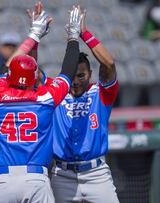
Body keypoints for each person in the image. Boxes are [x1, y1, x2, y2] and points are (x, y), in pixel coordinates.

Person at [0, 3, 82, 203]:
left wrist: (34, 35)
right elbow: (67, 71)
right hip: (35, 179)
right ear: (35, 78)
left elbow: (3, 70)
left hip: (3, 180)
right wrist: (74, 36)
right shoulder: (45, 98)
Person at [50, 8, 120, 203]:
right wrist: (35, 35)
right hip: (61, 175)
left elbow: (109, 64)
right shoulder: (55, 92)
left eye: (81, 75)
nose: (76, 81)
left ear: (90, 74)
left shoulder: (101, 93)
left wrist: (83, 33)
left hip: (97, 174)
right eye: (71, 76)